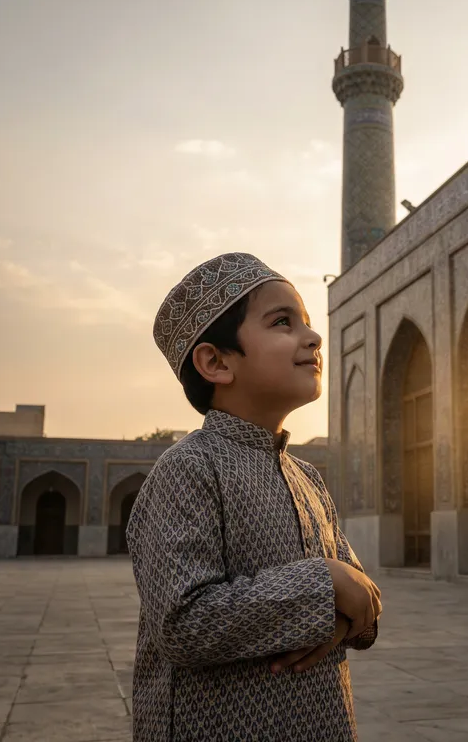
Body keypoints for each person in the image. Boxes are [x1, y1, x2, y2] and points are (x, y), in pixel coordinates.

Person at [127, 252, 382, 742]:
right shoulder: (188, 469)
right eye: (282, 322)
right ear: (216, 361)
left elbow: (362, 599)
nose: (314, 337)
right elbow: (182, 622)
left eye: (307, 321)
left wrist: (342, 611)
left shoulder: (308, 477)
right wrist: (322, 584)